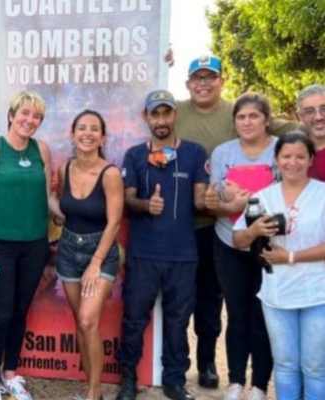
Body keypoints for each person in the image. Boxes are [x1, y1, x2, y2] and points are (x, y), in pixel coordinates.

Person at [175, 55, 298, 389]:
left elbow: (295, 135)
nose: (203, 83)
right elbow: (146, 110)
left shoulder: (270, 139)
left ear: (221, 81)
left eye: (210, 77)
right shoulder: (179, 113)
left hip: (257, 240)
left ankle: (228, 374)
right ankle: (201, 374)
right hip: (203, 229)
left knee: (231, 308)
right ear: (188, 83)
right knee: (191, 301)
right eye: (196, 78)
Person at [117, 89, 208, 400]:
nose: (160, 120)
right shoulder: (134, 155)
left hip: (183, 255)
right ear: (146, 117)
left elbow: (200, 199)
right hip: (143, 254)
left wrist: (221, 199)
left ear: (174, 115)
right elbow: (126, 200)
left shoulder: (195, 153)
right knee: (133, 318)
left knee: (178, 322)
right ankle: (128, 379)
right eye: (154, 114)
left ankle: (174, 381)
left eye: (166, 113)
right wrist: (145, 205)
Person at [0, 90, 52, 400]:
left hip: (34, 245)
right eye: (25, 113)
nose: (29, 120)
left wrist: (74, 211)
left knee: (20, 312)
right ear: (11, 114)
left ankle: (11, 375)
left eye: (36, 116)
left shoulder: (41, 150)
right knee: (1, 315)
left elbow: (47, 197)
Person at [232, 132, 325, 400]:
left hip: (317, 293)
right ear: (276, 159)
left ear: (310, 160)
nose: (292, 162)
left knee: (316, 367)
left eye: (300, 156)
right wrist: (254, 231)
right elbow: (237, 238)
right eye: (286, 156)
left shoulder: (321, 195)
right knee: (284, 366)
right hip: (277, 293)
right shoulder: (262, 197)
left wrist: (291, 257)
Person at [204, 93, 277, 400]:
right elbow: (215, 202)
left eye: (254, 116)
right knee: (236, 314)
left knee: (263, 316)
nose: (247, 122)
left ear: (266, 120)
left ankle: (259, 385)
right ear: (234, 122)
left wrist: (244, 202)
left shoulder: (279, 150)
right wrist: (229, 203)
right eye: (241, 117)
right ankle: (236, 382)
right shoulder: (223, 152)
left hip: (269, 246)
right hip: (227, 244)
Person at [54, 110, 123, 400]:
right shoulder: (64, 169)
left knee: (87, 320)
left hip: (101, 252)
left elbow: (115, 222)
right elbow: (63, 208)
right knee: (79, 322)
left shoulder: (110, 174)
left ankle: (94, 394)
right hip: (68, 249)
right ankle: (89, 386)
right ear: (72, 134)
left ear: (102, 137)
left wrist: (95, 264)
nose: (87, 133)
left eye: (94, 129)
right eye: (82, 128)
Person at [296, 84, 325, 181]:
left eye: (324, 109)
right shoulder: (293, 153)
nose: (318, 117)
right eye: (309, 112)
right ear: (301, 117)